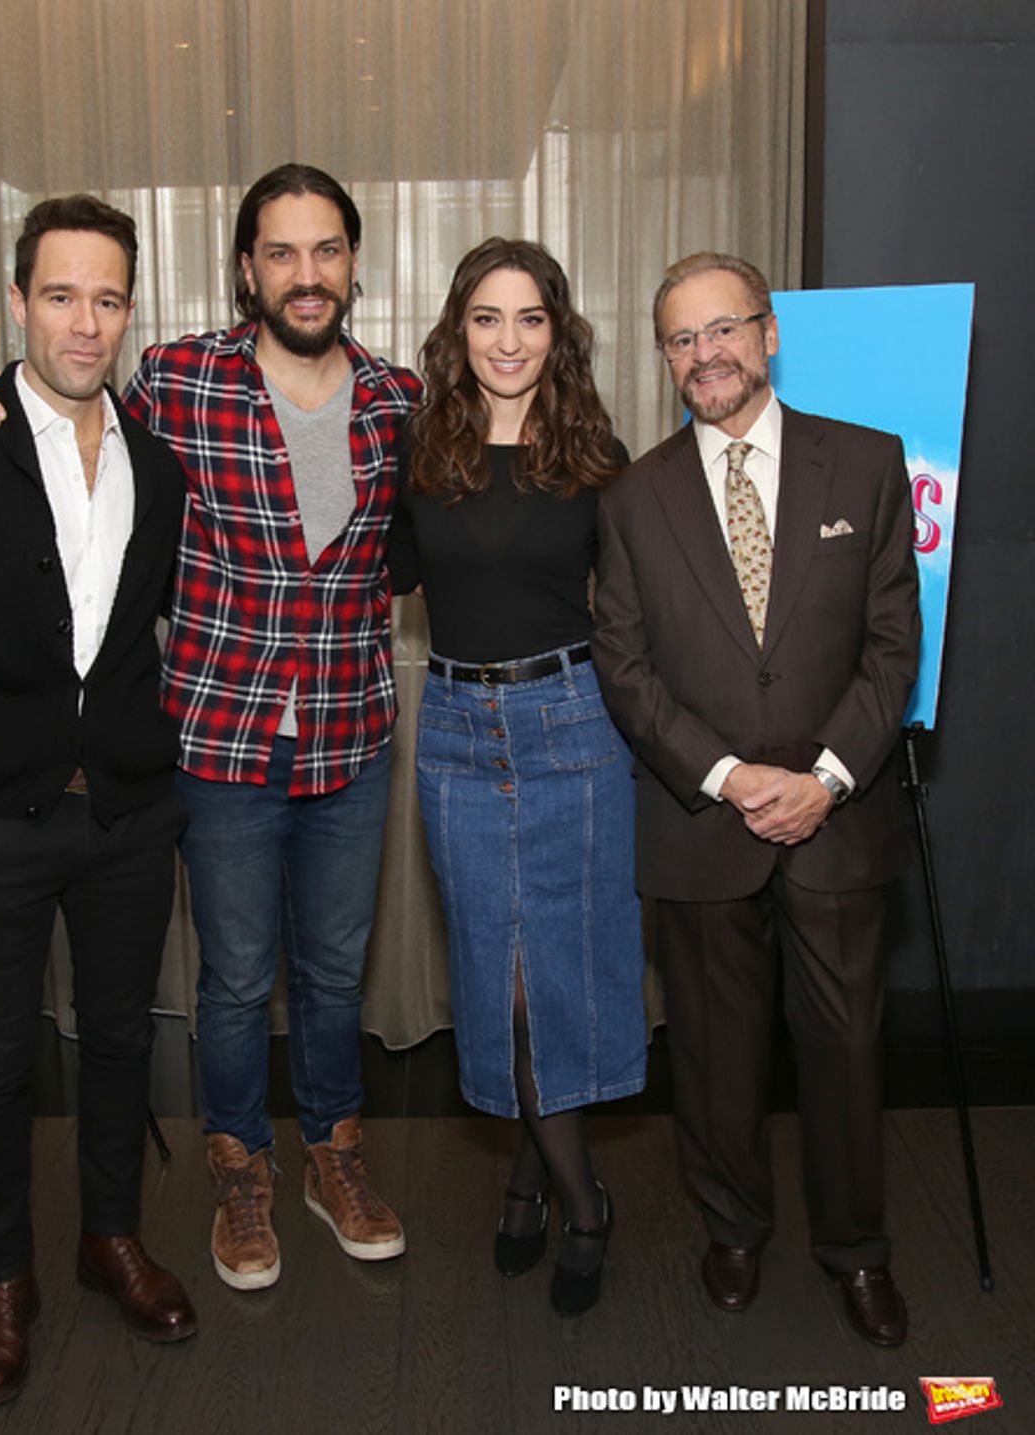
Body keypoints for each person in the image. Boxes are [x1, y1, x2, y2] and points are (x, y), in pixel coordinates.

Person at [0, 165, 421, 1291]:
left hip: (349, 732)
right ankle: (240, 1166)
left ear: (351, 263)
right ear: (245, 268)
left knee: (339, 973)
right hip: (218, 738)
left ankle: (333, 1156)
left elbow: (415, 539)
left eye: (326, 251)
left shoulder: (398, 398)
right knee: (239, 976)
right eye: (280, 252)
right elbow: (60, 442)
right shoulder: (177, 377)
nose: (305, 275)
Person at [0, 194, 196, 1408]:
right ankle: (2, 1280)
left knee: (119, 1042)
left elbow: (144, 635)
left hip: (124, 815)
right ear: (17, 302)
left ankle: (109, 1237)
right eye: (59, 295)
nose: (84, 321)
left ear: (127, 308)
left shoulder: (155, 466)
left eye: (107, 298)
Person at [591, 251, 921, 1346]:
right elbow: (624, 667)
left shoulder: (867, 465)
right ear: (664, 359)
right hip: (700, 824)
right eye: (680, 339)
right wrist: (731, 779)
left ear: (768, 334)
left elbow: (890, 650)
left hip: (837, 817)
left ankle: (855, 1250)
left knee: (843, 1047)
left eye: (723, 329)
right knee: (714, 1050)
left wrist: (822, 778)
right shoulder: (632, 497)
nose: (705, 355)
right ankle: (731, 1226)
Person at [387, 238, 645, 1315]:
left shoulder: (596, 457)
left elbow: (644, 612)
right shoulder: (420, 451)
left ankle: (568, 1195)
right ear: (458, 331)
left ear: (558, 330)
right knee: (497, 975)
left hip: (572, 725)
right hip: (450, 728)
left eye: (529, 318)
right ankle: (547, 1178)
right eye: (486, 318)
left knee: (563, 976)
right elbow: (357, 560)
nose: (507, 340)